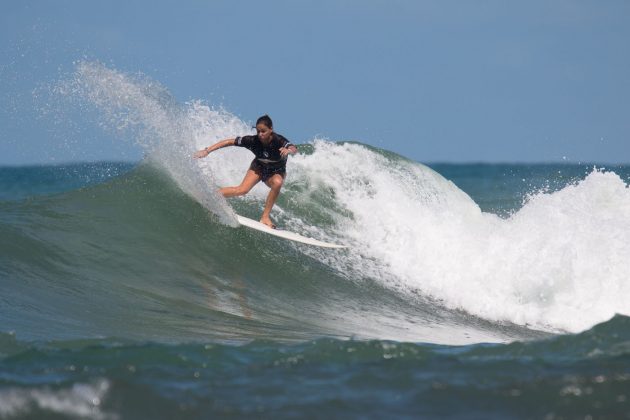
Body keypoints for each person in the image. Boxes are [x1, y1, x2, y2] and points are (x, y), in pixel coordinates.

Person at [193, 115, 298, 228]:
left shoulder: (278, 140)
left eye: (263, 131)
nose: (260, 134)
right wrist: (207, 151)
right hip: (259, 167)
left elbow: (293, 148)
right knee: (242, 190)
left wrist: (288, 150)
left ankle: (265, 217)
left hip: (276, 171)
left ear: (271, 129)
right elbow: (229, 141)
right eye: (258, 131)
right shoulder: (252, 140)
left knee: (277, 183)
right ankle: (211, 196)